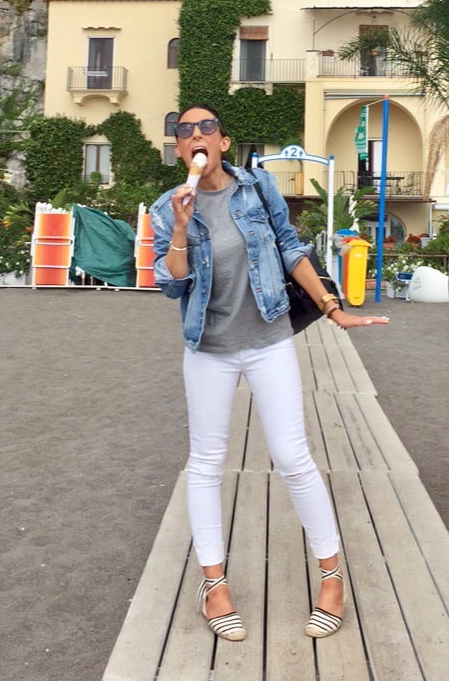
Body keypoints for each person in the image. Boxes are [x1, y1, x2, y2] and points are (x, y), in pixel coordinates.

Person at [150, 104, 388, 643]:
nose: (195, 136)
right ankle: (214, 586)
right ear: (180, 150)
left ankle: (332, 579)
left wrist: (333, 307)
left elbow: (290, 249)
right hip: (207, 348)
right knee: (206, 463)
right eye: (184, 132)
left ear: (224, 142)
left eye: (205, 127)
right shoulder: (168, 208)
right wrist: (183, 230)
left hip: (267, 341)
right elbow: (172, 283)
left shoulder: (256, 188)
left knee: (292, 457)